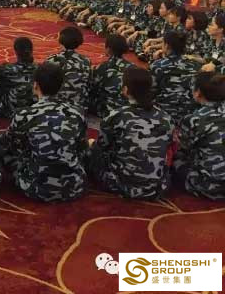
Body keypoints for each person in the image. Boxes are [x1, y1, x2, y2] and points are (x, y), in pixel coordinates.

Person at [0, 62, 88, 202]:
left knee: (3, 147)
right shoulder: (76, 113)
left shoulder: (24, 115)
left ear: (35, 86)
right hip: (73, 186)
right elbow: (82, 150)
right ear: (61, 86)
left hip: (34, 187)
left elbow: (11, 147)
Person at [89, 66, 174, 200]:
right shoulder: (166, 117)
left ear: (125, 90)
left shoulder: (116, 115)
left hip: (120, 184)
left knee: (91, 150)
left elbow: (102, 146)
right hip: (158, 187)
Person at [173, 72, 225, 200]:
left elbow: (181, 148)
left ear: (198, 93)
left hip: (211, 186)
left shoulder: (194, 119)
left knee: (175, 157)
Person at [151, 31, 201, 125]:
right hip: (189, 112)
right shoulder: (196, 65)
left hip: (164, 112)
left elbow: (152, 90)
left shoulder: (158, 65)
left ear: (166, 45)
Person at [45, 27, 92, 111]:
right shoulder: (86, 61)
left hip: (55, 107)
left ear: (60, 40)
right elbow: (88, 84)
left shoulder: (52, 60)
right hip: (79, 106)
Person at [91, 34, 133, 118]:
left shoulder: (103, 67)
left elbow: (93, 87)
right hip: (128, 108)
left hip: (108, 109)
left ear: (108, 49)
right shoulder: (133, 67)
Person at [0, 37, 37, 119]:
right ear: (31, 50)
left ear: (16, 52)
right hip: (34, 109)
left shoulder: (6, 69)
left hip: (12, 111)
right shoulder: (39, 69)